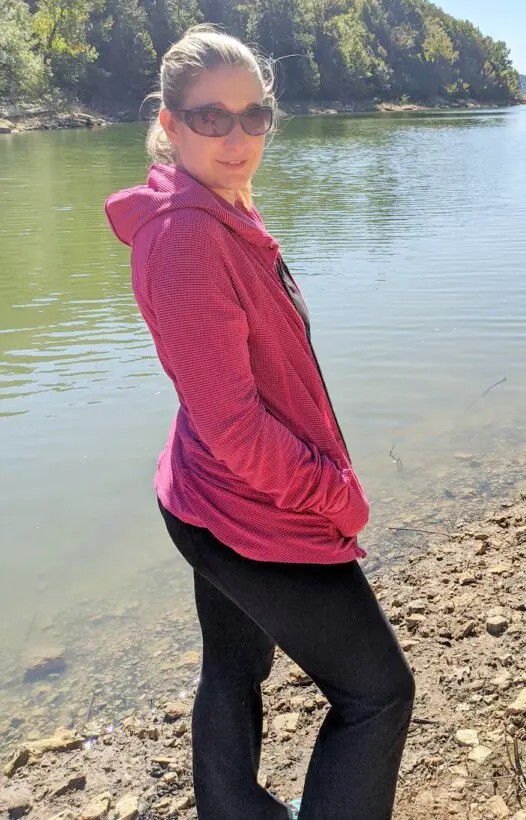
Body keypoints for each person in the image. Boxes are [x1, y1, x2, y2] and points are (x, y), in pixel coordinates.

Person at [104, 24, 415, 820]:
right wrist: (335, 495)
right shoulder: (185, 236)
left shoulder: (212, 206)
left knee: (235, 668)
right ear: (170, 123)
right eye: (212, 118)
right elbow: (238, 428)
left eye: (255, 116)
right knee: (376, 693)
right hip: (252, 511)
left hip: (203, 498)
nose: (238, 137)